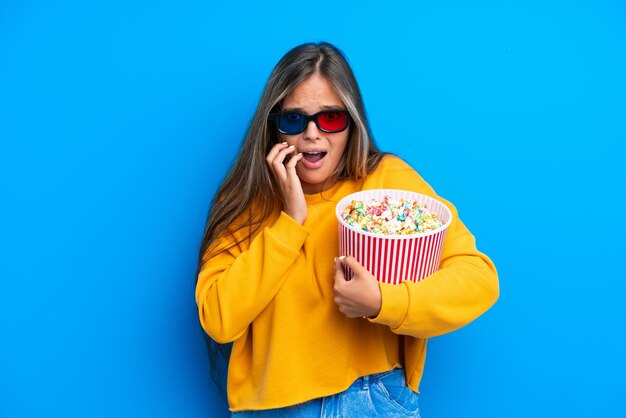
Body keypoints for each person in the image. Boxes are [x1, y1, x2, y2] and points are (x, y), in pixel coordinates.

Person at [195, 42, 499, 417]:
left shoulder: (386, 185)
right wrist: (289, 223)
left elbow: (478, 279)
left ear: (351, 122)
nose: (312, 134)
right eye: (294, 119)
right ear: (273, 128)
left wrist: (382, 302)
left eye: (331, 118)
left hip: (369, 400)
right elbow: (219, 319)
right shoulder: (249, 205)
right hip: (273, 407)